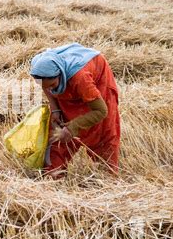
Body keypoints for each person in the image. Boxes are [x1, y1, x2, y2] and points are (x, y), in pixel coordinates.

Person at [30, 43, 120, 179]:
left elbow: (101, 111)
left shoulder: (81, 78)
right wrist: (55, 109)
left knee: (101, 131)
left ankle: (107, 176)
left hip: (96, 75)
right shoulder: (40, 69)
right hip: (69, 80)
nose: (50, 89)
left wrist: (73, 127)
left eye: (53, 85)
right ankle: (53, 174)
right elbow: (46, 86)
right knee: (58, 131)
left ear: (60, 74)